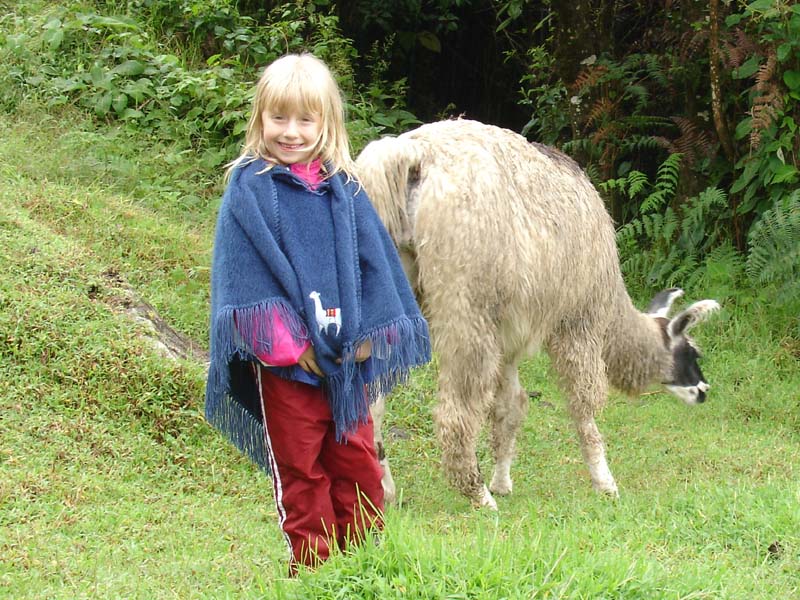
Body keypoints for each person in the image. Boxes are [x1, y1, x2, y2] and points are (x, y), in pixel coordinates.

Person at [204, 53, 431, 574]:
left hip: (348, 364)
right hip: (288, 368)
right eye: (279, 117)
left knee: (359, 466)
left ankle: (367, 567)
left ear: (327, 123)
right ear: (260, 117)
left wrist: (371, 335)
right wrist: (291, 345)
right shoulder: (250, 188)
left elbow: (375, 267)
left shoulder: (344, 190)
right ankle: (314, 572)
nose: (291, 132)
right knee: (301, 469)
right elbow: (245, 275)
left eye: (306, 119)